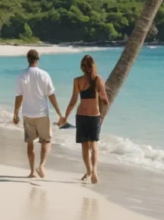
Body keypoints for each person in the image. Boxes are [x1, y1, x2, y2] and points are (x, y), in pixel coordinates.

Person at [59, 54, 109, 183]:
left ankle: (89, 171)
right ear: (93, 66)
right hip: (94, 116)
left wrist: (66, 116)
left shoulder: (77, 80)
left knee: (85, 146)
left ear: (82, 67)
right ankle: (94, 172)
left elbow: (73, 100)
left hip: (81, 115)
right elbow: (104, 99)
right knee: (94, 145)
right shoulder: (98, 79)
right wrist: (103, 112)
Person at [12, 49, 62, 179]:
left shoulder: (22, 75)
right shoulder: (44, 74)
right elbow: (51, 95)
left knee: (30, 143)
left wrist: (15, 114)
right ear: (38, 59)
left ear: (27, 59)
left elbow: (18, 97)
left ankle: (32, 172)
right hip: (42, 114)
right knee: (46, 141)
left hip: (28, 114)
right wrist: (59, 112)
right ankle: (42, 165)